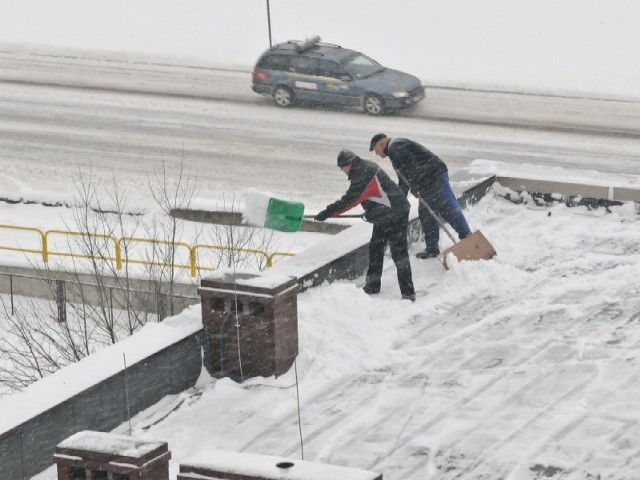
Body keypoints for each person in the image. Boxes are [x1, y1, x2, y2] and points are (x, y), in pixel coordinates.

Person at [314, 149, 416, 301]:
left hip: (395, 214)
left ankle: (408, 293)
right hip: (387, 214)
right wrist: (372, 212)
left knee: (399, 253)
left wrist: (327, 212)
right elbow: (376, 195)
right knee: (375, 249)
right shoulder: (365, 167)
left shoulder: (362, 174)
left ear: (348, 164)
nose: (342, 171)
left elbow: (349, 201)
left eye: (342, 167)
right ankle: (373, 285)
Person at [369, 133, 471, 259]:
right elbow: (404, 178)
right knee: (427, 214)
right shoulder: (395, 148)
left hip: (434, 176)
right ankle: (432, 248)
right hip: (428, 179)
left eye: (375, 149)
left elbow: (413, 168)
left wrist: (416, 186)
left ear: (381, 143)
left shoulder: (396, 148)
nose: (376, 153)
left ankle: (468, 239)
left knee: (447, 207)